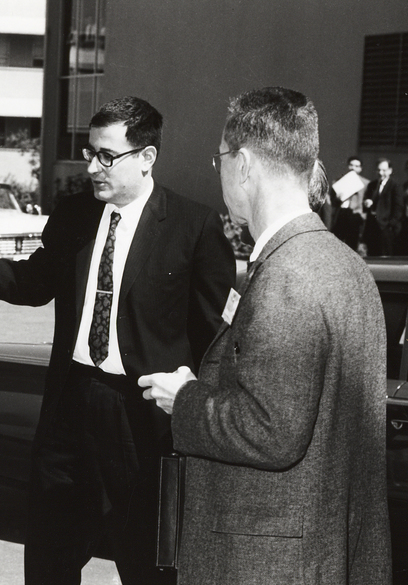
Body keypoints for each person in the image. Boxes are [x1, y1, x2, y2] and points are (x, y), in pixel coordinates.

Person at [0, 96, 235, 585]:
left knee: (146, 563)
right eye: (90, 152)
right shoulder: (75, 214)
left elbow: (213, 337)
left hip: (143, 420)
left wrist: (196, 407)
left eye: (106, 156)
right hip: (70, 408)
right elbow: (32, 284)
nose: (92, 166)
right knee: (49, 558)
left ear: (147, 158)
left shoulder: (192, 226)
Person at [139, 87, 391, 584]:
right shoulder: (347, 266)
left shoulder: (287, 279)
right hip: (319, 553)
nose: (221, 174)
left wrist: (184, 398)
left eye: (220, 160)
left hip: (265, 566)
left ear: (245, 165)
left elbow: (272, 432)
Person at [362, 157, 401, 255]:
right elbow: (366, 201)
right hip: (372, 226)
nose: (380, 173)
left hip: (385, 228)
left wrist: (390, 225)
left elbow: (398, 207)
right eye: (379, 170)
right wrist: (366, 203)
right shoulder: (372, 185)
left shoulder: (394, 186)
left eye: (384, 170)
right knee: (372, 255)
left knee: (384, 256)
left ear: (390, 171)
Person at [330, 155, 367, 253]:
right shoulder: (338, 181)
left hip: (355, 215)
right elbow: (332, 202)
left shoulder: (365, 183)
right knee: (337, 243)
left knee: (352, 245)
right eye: (351, 165)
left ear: (360, 168)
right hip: (341, 214)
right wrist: (337, 198)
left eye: (356, 166)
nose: (353, 168)